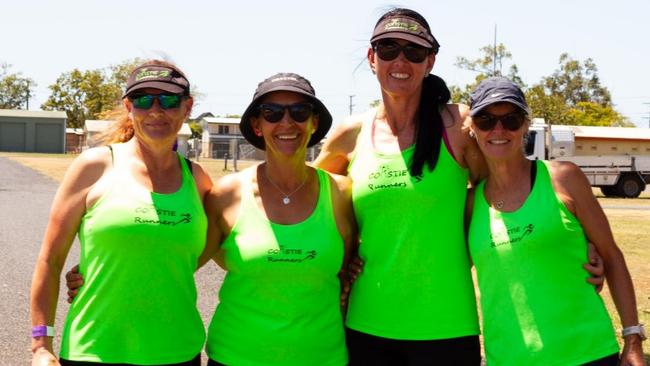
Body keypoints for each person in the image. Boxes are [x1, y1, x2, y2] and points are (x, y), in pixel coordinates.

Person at [314, 7, 605, 365]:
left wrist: (582, 242)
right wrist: (343, 256)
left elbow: (507, 195)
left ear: (431, 61)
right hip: (367, 323)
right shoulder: (350, 134)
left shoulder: (458, 124)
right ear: (372, 57)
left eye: (414, 51)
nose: (400, 60)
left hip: (447, 327)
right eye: (388, 49)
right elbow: (313, 200)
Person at [30, 60, 212, 366]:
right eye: (143, 100)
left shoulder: (199, 180)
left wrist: (125, 264)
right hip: (94, 350)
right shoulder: (95, 167)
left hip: (178, 352)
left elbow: (222, 242)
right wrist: (40, 345)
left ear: (187, 107)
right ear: (128, 106)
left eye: (168, 100)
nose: (156, 110)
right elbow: (50, 259)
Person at [465, 77, 646, 365]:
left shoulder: (563, 177)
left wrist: (633, 338)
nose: (498, 129)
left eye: (511, 119)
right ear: (471, 128)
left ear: (525, 125)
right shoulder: (469, 205)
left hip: (587, 354)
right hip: (508, 358)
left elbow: (611, 254)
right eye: (485, 120)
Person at [202, 72, 355, 365]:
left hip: (323, 357)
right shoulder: (226, 194)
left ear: (314, 122)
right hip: (236, 356)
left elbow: (353, 265)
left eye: (299, 111)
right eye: (272, 113)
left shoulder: (341, 193)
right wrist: (91, 277)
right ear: (257, 125)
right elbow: (179, 262)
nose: (286, 123)